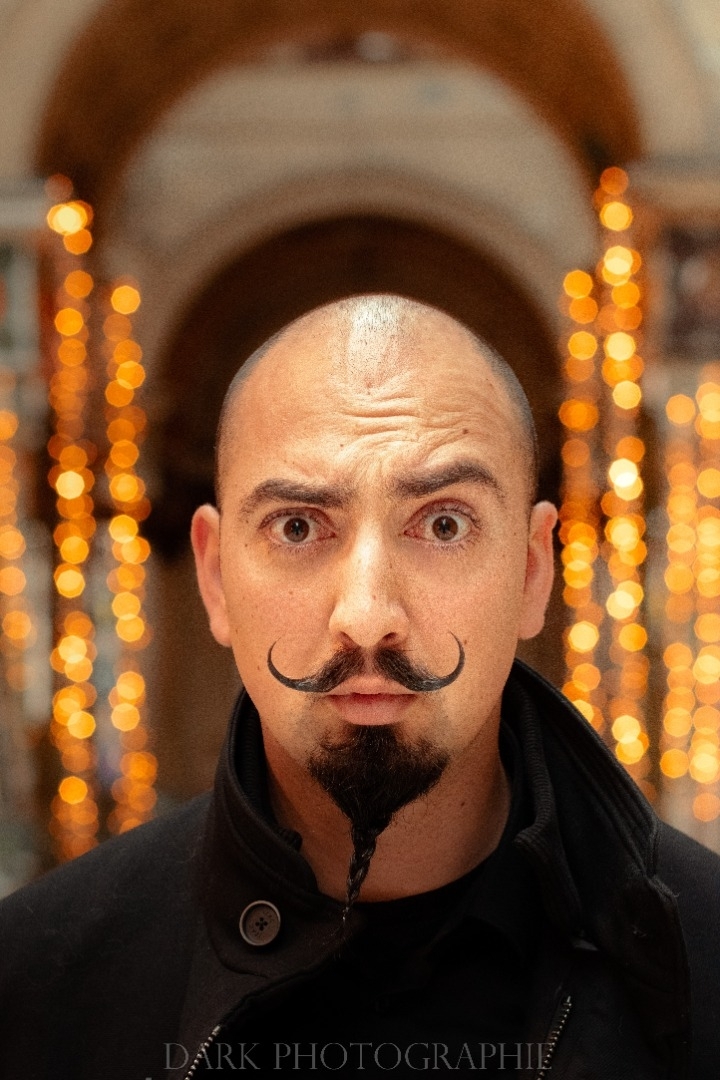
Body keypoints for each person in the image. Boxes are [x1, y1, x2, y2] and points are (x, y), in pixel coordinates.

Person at [0, 294, 718, 1079]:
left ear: (532, 570)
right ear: (214, 576)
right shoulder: (36, 989)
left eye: (444, 524)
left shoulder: (703, 962)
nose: (369, 617)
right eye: (298, 526)